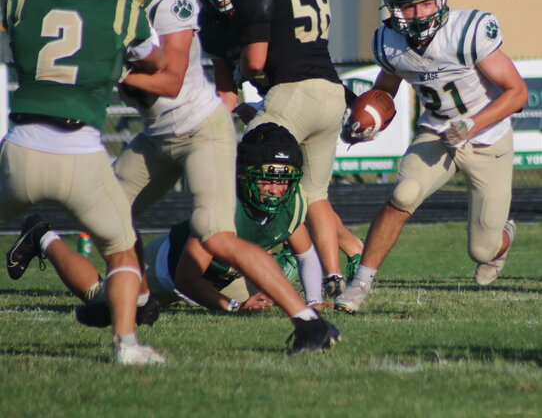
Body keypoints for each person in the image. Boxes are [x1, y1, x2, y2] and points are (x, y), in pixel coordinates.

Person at [11, 0, 341, 353]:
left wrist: (98, 70)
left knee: (216, 234)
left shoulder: (169, 3)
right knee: (100, 218)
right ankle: (127, 294)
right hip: (156, 137)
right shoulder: (100, 11)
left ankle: (309, 322)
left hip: (201, 131)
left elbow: (167, 80)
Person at [2, 0, 166, 364]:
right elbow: (155, 61)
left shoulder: (18, 1)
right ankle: (126, 344)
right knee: (121, 248)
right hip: (81, 155)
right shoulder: (121, 11)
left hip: (22, 148)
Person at [334, 0, 528, 314]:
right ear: (393, 9)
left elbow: (517, 93)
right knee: (404, 193)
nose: (419, 13)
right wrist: (367, 118)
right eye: (408, 6)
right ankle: (360, 284)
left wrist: (473, 124)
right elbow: (384, 91)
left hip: (488, 138)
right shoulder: (390, 42)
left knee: (482, 250)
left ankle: (504, 236)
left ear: (442, 0)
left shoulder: (466, 32)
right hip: (437, 132)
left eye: (426, 3)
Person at [13, 123, 326, 319]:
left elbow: (305, 253)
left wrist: (313, 301)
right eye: (266, 180)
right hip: (168, 269)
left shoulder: (293, 204)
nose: (275, 189)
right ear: (244, 176)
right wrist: (230, 307)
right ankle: (43, 236)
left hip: (224, 276)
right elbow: (186, 278)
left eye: (283, 181)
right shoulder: (223, 206)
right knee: (103, 298)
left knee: (272, 293)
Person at [219, 0, 362, 295]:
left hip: (293, 94)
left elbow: (257, 61)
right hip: (330, 94)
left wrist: (240, 74)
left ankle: (250, 269)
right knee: (315, 193)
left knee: (255, 176)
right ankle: (332, 275)